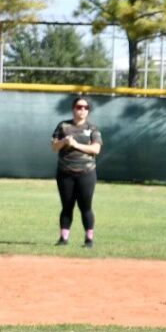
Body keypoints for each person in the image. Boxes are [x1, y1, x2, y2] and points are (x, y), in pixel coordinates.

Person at [50, 95, 103, 248]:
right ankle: (63, 238)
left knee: (85, 207)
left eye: (85, 107)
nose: (82, 110)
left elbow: (96, 149)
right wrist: (63, 142)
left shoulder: (92, 129)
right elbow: (53, 147)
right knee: (67, 206)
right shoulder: (63, 126)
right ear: (73, 109)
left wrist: (75, 144)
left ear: (88, 111)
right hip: (65, 173)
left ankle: (89, 239)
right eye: (78, 107)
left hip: (86, 173)